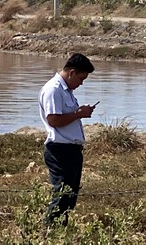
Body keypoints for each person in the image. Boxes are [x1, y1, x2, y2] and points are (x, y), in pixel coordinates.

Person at [38, 53, 96, 226]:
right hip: (59, 150)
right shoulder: (54, 89)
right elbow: (54, 120)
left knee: (70, 196)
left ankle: (62, 231)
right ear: (71, 73)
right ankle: (52, 231)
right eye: (81, 78)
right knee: (62, 195)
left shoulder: (66, 90)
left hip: (71, 150)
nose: (81, 83)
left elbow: (65, 116)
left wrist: (79, 112)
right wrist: (79, 114)